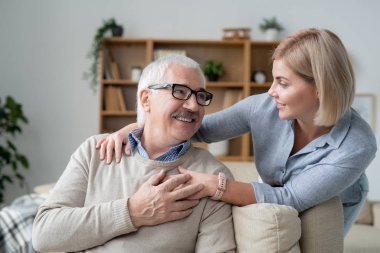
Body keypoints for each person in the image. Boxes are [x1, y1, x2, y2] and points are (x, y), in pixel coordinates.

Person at [96, 28, 377, 236]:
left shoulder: (357, 145)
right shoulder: (263, 108)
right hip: (276, 189)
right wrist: (135, 127)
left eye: (282, 83)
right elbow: (198, 129)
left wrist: (213, 185)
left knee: (318, 225)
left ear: (320, 88)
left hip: (335, 200)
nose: (271, 91)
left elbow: (290, 197)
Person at [32, 55, 236, 252]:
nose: (193, 106)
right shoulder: (95, 151)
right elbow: (44, 234)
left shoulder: (212, 177)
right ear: (146, 99)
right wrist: (132, 212)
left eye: (200, 96)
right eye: (180, 91)